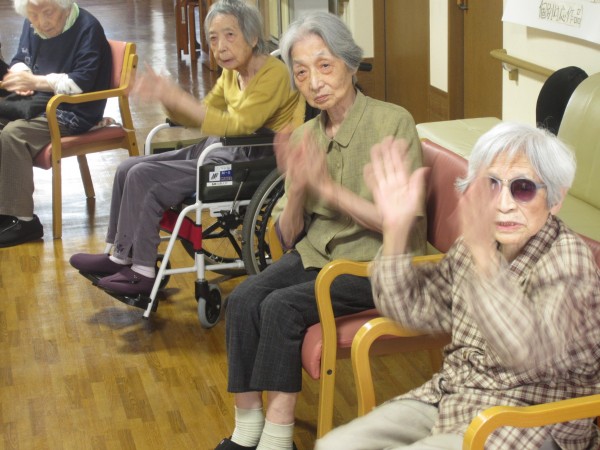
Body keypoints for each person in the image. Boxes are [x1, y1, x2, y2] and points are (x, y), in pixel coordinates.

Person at [315, 122, 600, 450]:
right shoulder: (475, 244)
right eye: (491, 185)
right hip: (455, 396)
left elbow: (526, 351)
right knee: (335, 446)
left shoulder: (568, 261)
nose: (503, 204)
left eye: (522, 188)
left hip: (528, 421)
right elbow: (414, 309)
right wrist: (395, 232)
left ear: (555, 198)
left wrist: (484, 260)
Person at [216, 12, 426, 450]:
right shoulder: (305, 136)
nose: (315, 82)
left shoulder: (393, 122)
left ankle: (278, 438)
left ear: (350, 62)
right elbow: (287, 235)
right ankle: (247, 429)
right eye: (301, 73)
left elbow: (397, 223)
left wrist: (326, 188)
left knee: (281, 307)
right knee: (243, 298)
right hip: (316, 255)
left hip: (377, 263)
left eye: (325, 65)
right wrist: (296, 190)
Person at [69, 0, 303, 297]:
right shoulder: (232, 73)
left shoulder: (273, 74)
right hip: (220, 147)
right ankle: (119, 254)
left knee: (143, 176)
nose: (220, 47)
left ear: (253, 37)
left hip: (253, 157)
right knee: (127, 167)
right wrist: (167, 97)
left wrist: (180, 100)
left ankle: (143, 271)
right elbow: (202, 114)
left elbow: (240, 125)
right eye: (213, 38)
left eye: (230, 35)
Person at [0, 0, 112, 247]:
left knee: (13, 134)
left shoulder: (88, 28)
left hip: (74, 110)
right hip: (40, 102)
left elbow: (80, 82)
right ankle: (4, 211)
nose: (41, 22)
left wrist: (34, 82)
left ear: (64, 6)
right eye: (33, 16)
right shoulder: (33, 24)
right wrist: (21, 75)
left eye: (48, 13)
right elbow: (20, 58)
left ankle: (24, 221)